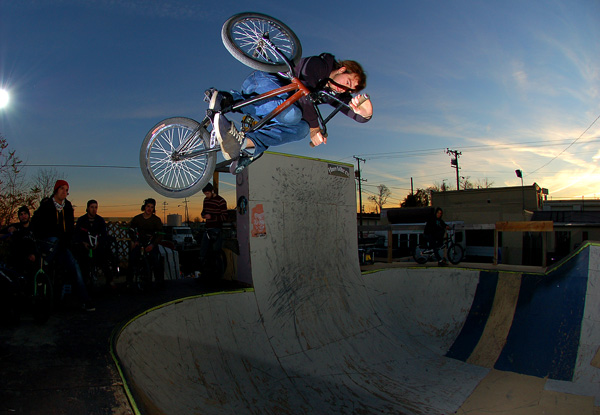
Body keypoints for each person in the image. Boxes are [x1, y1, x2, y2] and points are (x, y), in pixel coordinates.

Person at [208, 53, 373, 166]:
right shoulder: (320, 64)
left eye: (349, 90)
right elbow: (304, 93)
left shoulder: (332, 93)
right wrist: (315, 129)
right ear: (343, 70)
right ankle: (228, 99)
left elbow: (352, 112)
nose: (344, 90)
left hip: (277, 106)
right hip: (261, 82)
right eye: (348, 83)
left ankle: (246, 143)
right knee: (294, 115)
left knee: (301, 129)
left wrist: (365, 114)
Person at [31, 180, 95, 311]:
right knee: (54, 240)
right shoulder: (47, 205)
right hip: (48, 243)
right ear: (56, 190)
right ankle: (44, 265)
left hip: (61, 246)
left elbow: (70, 228)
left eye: (66, 190)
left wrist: (69, 241)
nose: (64, 192)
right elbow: (36, 224)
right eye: (61, 189)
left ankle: (85, 300)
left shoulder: (67, 206)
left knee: (74, 266)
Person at [75, 200, 115, 289]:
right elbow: (77, 234)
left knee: (105, 259)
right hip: (84, 248)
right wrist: (83, 242)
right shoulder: (82, 220)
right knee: (82, 262)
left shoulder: (100, 220)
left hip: (97, 247)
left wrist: (98, 242)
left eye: (96, 207)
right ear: (87, 208)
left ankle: (110, 281)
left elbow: (104, 235)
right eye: (92, 207)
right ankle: (83, 283)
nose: (94, 210)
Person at [128, 198, 164, 289]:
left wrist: (153, 245)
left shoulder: (156, 220)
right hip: (139, 242)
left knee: (156, 260)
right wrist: (134, 240)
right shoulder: (137, 218)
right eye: (148, 206)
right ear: (144, 207)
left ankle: (158, 281)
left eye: (152, 207)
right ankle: (129, 281)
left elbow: (160, 235)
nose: (149, 209)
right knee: (132, 259)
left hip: (151, 243)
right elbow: (131, 230)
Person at [0, 206, 38, 277]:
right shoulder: (15, 226)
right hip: (18, 258)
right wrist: (9, 232)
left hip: (33, 258)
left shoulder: (34, 228)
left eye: (25, 214)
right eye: (21, 214)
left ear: (28, 215)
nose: (23, 216)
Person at [198, 183, 228, 273]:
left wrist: (212, 217)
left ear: (212, 191)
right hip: (207, 229)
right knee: (203, 251)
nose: (206, 196)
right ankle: (203, 271)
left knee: (216, 252)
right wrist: (203, 215)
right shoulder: (206, 200)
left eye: (207, 193)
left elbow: (225, 217)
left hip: (216, 229)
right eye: (205, 194)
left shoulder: (221, 201)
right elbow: (204, 210)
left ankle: (218, 272)